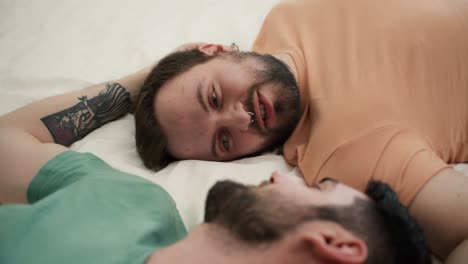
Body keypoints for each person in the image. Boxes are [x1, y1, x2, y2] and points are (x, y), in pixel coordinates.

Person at [0, 107, 431, 263]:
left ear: (335, 243)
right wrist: (135, 91)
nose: (279, 174)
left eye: (317, 189)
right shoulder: (135, 202)